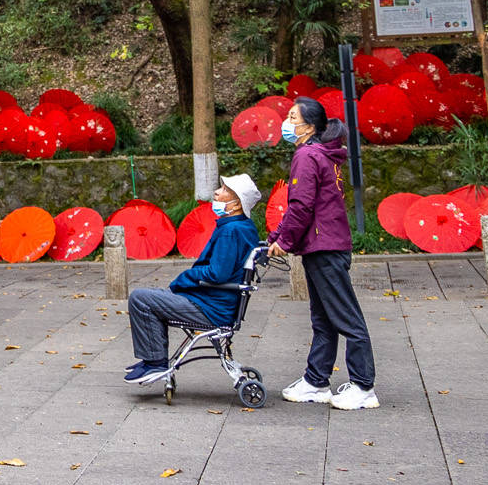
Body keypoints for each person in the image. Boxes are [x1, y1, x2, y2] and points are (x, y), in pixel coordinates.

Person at [268, 96, 377, 410]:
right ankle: (316, 380)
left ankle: (363, 385)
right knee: (324, 319)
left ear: (309, 126)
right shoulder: (321, 154)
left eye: (292, 117)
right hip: (324, 245)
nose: (286, 123)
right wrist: (277, 237)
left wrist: (283, 241)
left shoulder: (307, 155)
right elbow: (305, 207)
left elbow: (301, 206)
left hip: (324, 247)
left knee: (345, 317)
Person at [123, 173, 263, 385]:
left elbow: (217, 274)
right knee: (153, 298)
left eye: (225, 190)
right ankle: (153, 360)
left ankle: (155, 363)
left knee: (140, 298)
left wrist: (185, 277)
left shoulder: (231, 231)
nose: (217, 192)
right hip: (216, 303)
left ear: (236, 205)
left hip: (210, 308)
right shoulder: (242, 227)